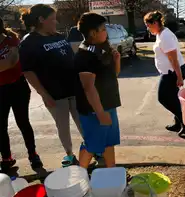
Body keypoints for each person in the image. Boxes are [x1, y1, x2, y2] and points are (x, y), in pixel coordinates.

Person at [19, 4, 82, 167]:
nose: (56, 22)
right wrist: (44, 94)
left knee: (83, 121)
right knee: (63, 126)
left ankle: (92, 148)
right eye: (52, 19)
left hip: (74, 88)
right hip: (54, 93)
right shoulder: (29, 42)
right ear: (41, 20)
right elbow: (28, 72)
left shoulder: (58, 36)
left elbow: (71, 58)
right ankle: (69, 155)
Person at [74, 12, 121, 169]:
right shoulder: (85, 55)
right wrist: (100, 113)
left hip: (108, 104)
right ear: (93, 33)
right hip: (94, 110)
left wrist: (116, 61)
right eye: (103, 29)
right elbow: (89, 88)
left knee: (109, 141)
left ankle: (111, 171)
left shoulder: (101, 49)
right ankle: (79, 176)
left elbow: (114, 75)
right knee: (92, 145)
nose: (106, 32)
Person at [0, 18, 43, 171]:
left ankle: (33, 155)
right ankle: (6, 158)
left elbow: (11, 62)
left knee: (23, 122)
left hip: (18, 87)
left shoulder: (12, 41)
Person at [144, 11, 185, 136]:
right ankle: (178, 123)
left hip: (173, 72)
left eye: (148, 25)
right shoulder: (161, 33)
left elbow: (173, 59)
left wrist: (179, 77)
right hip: (171, 71)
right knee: (173, 98)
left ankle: (184, 122)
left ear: (155, 23)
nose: (147, 28)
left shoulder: (165, 36)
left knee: (163, 98)